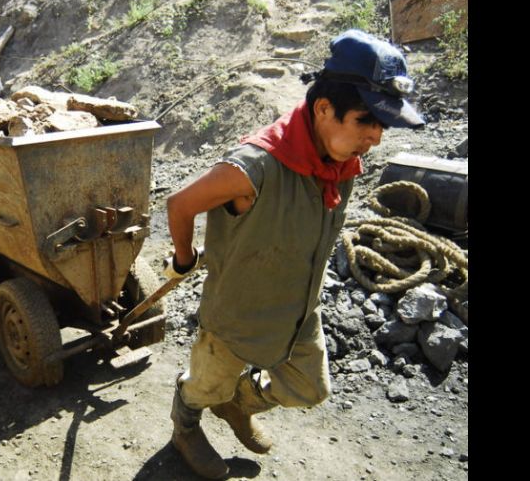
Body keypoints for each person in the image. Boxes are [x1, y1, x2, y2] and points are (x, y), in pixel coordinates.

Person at [163, 29, 425, 479]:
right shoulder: (256, 166)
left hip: (299, 311)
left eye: (382, 125)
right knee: (204, 387)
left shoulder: (340, 162)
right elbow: (179, 205)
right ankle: (185, 427)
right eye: (366, 121)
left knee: (310, 387)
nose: (376, 138)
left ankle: (237, 404)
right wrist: (184, 259)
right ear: (323, 109)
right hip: (235, 316)